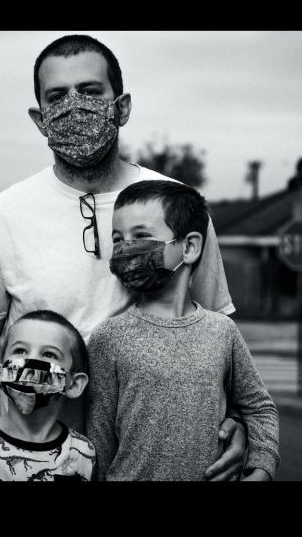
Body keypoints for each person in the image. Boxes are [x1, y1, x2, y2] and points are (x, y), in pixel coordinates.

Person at [0, 34, 246, 480]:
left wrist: (239, 422)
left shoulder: (178, 210)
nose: (74, 106)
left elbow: (216, 333)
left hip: (157, 466)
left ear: (121, 107)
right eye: (57, 97)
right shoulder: (1, 216)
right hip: (36, 466)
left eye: (90, 92)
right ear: (40, 118)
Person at [86, 180, 280, 481]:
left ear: (189, 247)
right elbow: (99, 440)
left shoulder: (222, 332)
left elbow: (259, 407)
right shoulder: (108, 338)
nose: (125, 249)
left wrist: (262, 469)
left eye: (140, 236)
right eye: (118, 239)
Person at [0, 310, 95, 481]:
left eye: (49, 354)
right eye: (20, 350)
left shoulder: (84, 453)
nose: (29, 363)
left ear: (73, 384)